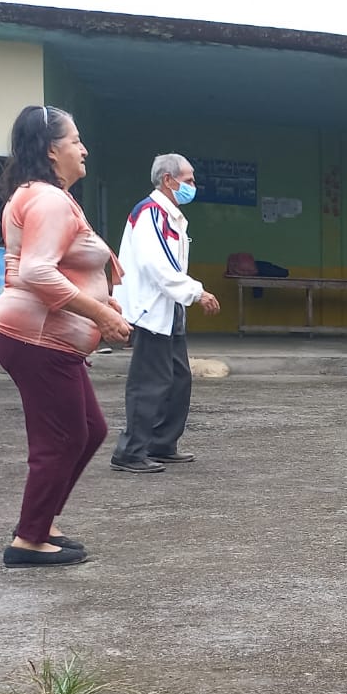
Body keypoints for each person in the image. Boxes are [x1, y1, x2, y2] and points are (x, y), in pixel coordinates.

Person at [0, 105, 130, 567]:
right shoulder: (48, 200)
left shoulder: (46, 196)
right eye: (75, 141)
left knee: (89, 431)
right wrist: (99, 313)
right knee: (63, 438)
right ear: (52, 150)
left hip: (48, 339)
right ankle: (28, 541)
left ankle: (42, 520)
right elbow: (36, 272)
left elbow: (59, 267)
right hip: (37, 338)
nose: (83, 149)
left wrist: (101, 303)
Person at [109, 154, 221, 474]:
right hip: (150, 311)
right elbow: (157, 266)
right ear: (168, 180)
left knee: (178, 380)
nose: (193, 186)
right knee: (150, 383)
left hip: (169, 310)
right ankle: (130, 452)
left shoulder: (171, 216)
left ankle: (162, 443)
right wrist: (196, 292)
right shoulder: (150, 213)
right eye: (188, 180)